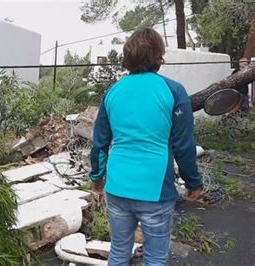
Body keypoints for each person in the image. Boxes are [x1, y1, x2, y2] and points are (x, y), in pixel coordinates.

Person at [89, 28, 203, 266]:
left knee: (119, 252)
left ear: (127, 56)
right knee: (155, 258)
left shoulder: (113, 91)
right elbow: (184, 146)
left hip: (118, 187)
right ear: (158, 56)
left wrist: (97, 178)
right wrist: (193, 184)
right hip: (155, 190)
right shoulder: (173, 91)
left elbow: (99, 143)